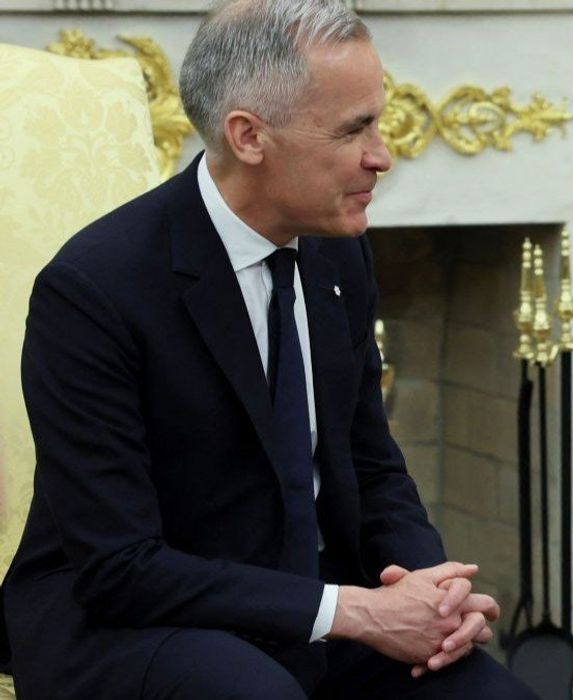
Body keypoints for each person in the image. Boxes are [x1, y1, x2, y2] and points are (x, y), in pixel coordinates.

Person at [0, 1, 536, 698]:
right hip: (135, 618)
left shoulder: (339, 252)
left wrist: (430, 590)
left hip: (314, 602)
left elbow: (371, 466)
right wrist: (354, 611)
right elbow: (119, 565)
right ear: (249, 136)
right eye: (354, 129)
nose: (382, 155)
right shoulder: (95, 289)